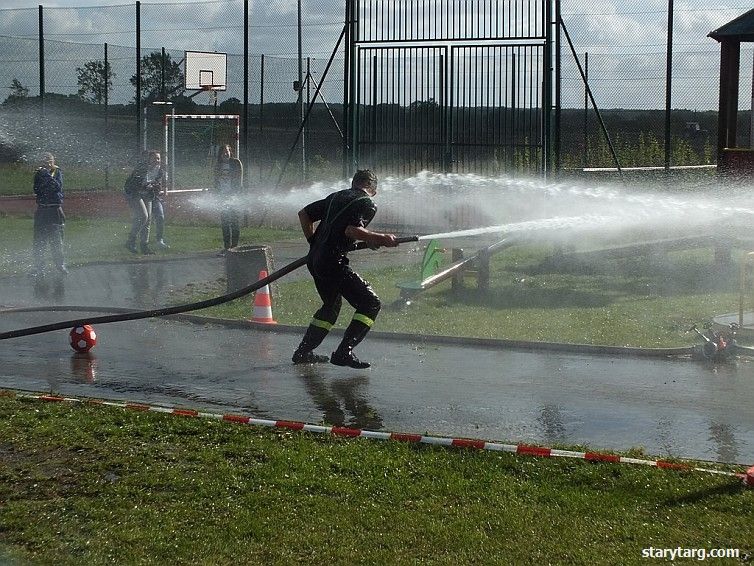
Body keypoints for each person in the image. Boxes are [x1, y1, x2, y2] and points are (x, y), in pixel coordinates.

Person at [292, 169, 398, 369]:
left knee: (331, 306)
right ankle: (343, 352)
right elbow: (351, 230)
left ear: (353, 183)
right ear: (373, 189)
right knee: (370, 303)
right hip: (333, 263)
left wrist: (313, 241)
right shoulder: (367, 203)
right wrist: (382, 238)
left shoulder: (337, 196)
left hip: (315, 260)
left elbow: (304, 214)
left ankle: (303, 352)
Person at [31, 152, 67, 275]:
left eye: (49, 161)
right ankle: (39, 267)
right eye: (44, 161)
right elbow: (37, 189)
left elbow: (57, 187)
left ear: (53, 161)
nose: (47, 163)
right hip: (42, 209)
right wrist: (44, 178)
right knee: (39, 240)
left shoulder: (57, 172)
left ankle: (60, 265)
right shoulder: (39, 173)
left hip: (54, 210)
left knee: (56, 240)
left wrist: (47, 176)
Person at [124, 150, 165, 255]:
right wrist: (148, 186)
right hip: (134, 193)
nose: (157, 160)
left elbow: (158, 186)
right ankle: (130, 241)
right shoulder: (142, 168)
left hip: (147, 194)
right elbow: (134, 184)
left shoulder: (160, 171)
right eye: (154, 158)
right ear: (149, 159)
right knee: (143, 216)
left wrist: (154, 186)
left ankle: (144, 246)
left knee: (148, 220)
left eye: (158, 158)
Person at [213, 144, 244, 255]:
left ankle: (234, 247)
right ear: (220, 155)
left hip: (233, 196)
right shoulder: (218, 166)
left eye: (227, 151)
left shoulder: (236, 163)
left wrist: (234, 194)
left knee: (234, 221)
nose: (225, 154)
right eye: (222, 152)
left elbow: (239, 180)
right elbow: (216, 181)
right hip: (222, 196)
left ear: (230, 152)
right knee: (225, 222)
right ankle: (226, 248)